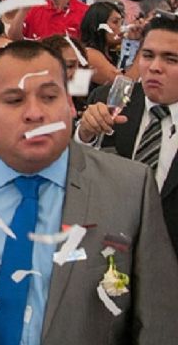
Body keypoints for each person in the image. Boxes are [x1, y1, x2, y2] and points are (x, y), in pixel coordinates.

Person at [0, 40, 178, 344]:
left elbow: (157, 320)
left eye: (49, 97)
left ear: (69, 104)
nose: (34, 113)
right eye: (14, 100)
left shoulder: (128, 188)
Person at [76, 16, 178, 256]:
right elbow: (78, 170)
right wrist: (84, 134)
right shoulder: (110, 99)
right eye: (148, 55)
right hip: (108, 248)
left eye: (171, 59)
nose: (154, 67)